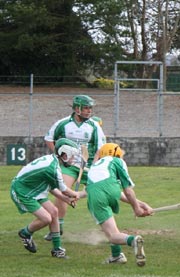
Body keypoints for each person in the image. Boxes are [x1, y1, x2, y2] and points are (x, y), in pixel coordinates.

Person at [43, 95, 107, 240]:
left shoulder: (94, 126)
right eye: (86, 108)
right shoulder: (63, 123)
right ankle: (58, 229)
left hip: (89, 165)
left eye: (90, 108)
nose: (89, 111)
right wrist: (59, 156)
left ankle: (116, 221)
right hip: (70, 165)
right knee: (63, 191)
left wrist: (95, 165)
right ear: (77, 109)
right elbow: (49, 139)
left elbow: (100, 148)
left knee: (103, 193)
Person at [10, 138, 84, 258]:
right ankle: (25, 233)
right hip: (23, 191)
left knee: (54, 212)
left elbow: (52, 188)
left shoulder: (53, 163)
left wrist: (66, 199)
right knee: (46, 218)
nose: (73, 159)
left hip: (35, 189)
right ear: (63, 154)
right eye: (71, 156)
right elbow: (64, 190)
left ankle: (57, 249)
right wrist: (79, 194)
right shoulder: (52, 168)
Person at [86, 143, 153, 266]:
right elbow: (125, 191)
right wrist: (137, 208)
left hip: (95, 194)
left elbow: (121, 193)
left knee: (112, 235)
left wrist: (141, 205)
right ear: (115, 153)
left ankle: (133, 240)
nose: (122, 158)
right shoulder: (117, 162)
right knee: (113, 230)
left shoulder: (95, 165)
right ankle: (116, 256)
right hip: (107, 190)